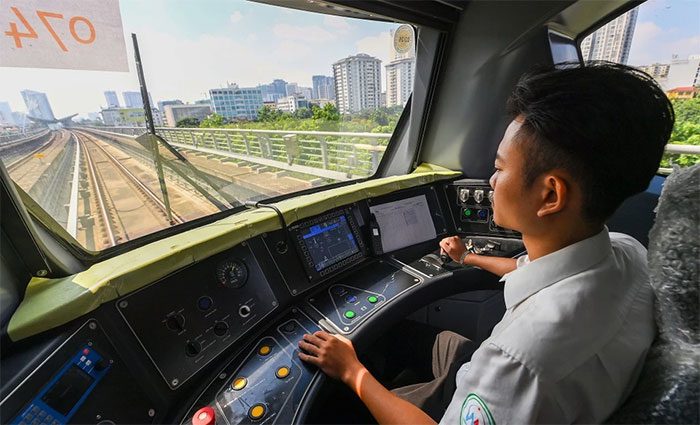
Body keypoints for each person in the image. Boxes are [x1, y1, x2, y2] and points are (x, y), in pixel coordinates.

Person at [297, 62, 674, 424]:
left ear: (550, 196)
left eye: (499, 167)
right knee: (414, 338)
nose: (491, 182)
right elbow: (526, 269)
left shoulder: (520, 361)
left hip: (498, 395)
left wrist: (352, 371)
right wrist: (468, 258)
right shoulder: (628, 252)